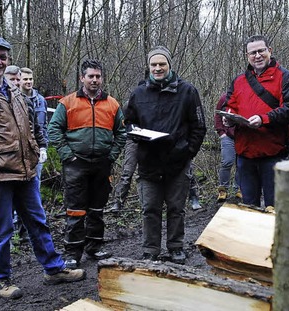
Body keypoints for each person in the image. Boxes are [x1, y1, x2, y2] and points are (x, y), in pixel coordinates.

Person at [0, 37, 85, 299]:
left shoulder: (13, 90)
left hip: (26, 169)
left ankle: (53, 269)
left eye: (3, 57)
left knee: (37, 221)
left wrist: (36, 151)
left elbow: (30, 127)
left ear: (8, 60)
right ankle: (1, 279)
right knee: (1, 229)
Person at [124, 46, 206, 263]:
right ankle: (150, 249)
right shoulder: (138, 93)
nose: (158, 68)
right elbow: (128, 122)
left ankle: (176, 246)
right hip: (149, 161)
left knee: (176, 208)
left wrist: (187, 152)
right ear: (148, 66)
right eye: (154, 64)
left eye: (162, 64)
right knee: (149, 208)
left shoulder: (187, 91)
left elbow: (199, 126)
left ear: (169, 65)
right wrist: (136, 133)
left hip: (177, 163)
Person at [48, 59, 127, 269]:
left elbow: (122, 133)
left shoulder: (112, 104)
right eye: (90, 76)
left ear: (102, 78)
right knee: (75, 210)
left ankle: (95, 247)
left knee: (97, 209)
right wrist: (67, 154)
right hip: (76, 164)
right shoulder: (68, 103)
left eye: (97, 76)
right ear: (82, 78)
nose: (94, 80)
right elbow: (53, 130)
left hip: (102, 164)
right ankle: (73, 252)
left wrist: (112, 156)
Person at [223, 35, 289, 208]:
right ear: (247, 56)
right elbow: (230, 105)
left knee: (275, 207)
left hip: (274, 154)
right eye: (252, 53)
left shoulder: (285, 77)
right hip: (245, 155)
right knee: (248, 206)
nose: (257, 56)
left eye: (261, 51)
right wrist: (229, 118)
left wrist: (264, 119)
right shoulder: (239, 81)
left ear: (269, 51)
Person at [19, 67, 49, 180]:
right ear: (20, 80)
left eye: (30, 79)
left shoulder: (41, 100)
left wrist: (44, 147)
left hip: (38, 147)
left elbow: (44, 125)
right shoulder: (15, 98)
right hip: (22, 149)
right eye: (25, 79)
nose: (28, 82)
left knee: (36, 181)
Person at [214, 92, 241, 202]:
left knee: (241, 163)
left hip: (242, 136)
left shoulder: (246, 97)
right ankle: (223, 190)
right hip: (228, 136)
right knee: (227, 162)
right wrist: (221, 132)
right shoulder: (225, 98)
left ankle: (239, 189)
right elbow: (217, 115)